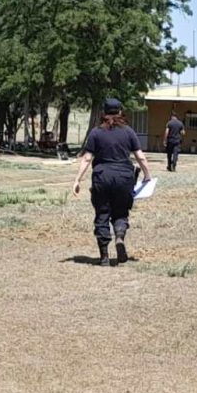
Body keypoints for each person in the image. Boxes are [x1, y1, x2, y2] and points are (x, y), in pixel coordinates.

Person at [73, 98, 154, 267]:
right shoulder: (128, 132)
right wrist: (147, 175)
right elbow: (140, 156)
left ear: (104, 112)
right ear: (119, 112)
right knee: (121, 212)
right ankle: (119, 236)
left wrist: (77, 180)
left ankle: (104, 256)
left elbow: (87, 158)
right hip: (124, 178)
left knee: (102, 214)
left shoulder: (96, 132)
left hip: (102, 177)